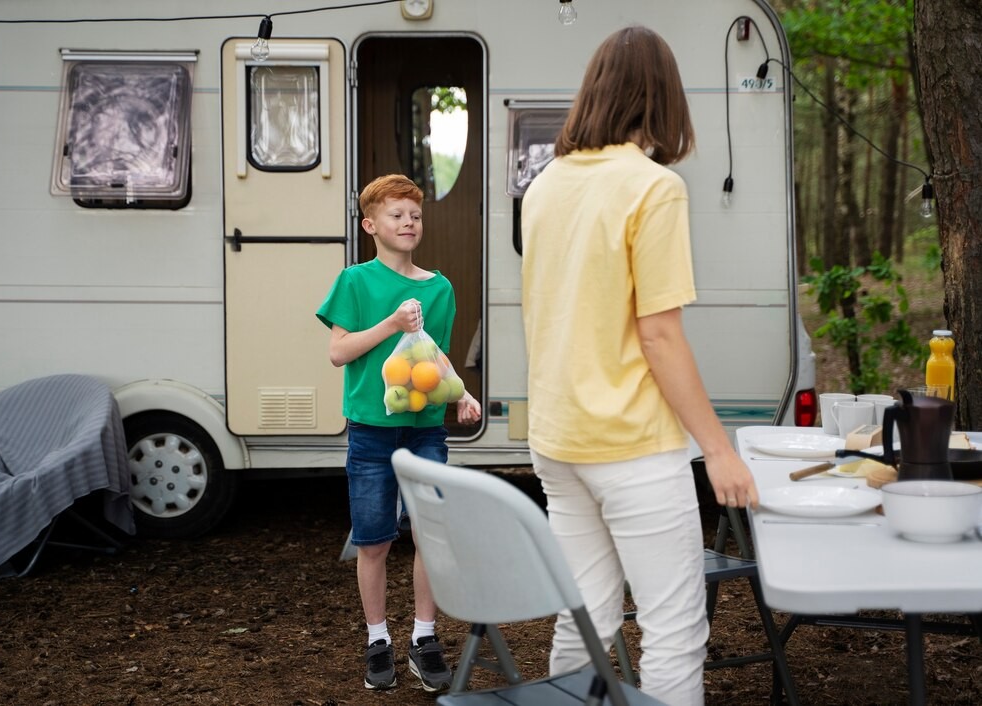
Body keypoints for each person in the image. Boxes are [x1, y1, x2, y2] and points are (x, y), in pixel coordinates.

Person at [519, 26, 759, 706]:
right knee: (674, 629)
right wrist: (719, 451)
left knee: (584, 618)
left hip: (559, 441)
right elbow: (658, 336)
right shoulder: (654, 188)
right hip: (631, 448)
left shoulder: (545, 184)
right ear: (664, 99)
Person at [316, 173, 482, 693]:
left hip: (425, 431)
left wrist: (461, 394)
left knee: (429, 537)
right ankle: (377, 639)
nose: (409, 222)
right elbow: (339, 352)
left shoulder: (439, 288)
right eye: (396, 215)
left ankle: (424, 638)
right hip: (370, 432)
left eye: (415, 215)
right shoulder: (355, 281)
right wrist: (391, 323)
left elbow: (432, 359)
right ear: (371, 225)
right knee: (374, 542)